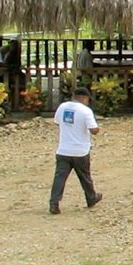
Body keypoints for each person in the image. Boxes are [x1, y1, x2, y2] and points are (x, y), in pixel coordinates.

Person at [49, 86, 102, 214]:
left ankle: (54, 203)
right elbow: (94, 130)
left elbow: (57, 122)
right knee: (85, 176)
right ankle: (91, 198)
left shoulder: (62, 107)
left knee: (59, 178)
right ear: (85, 98)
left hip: (63, 150)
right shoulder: (85, 111)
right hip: (80, 151)